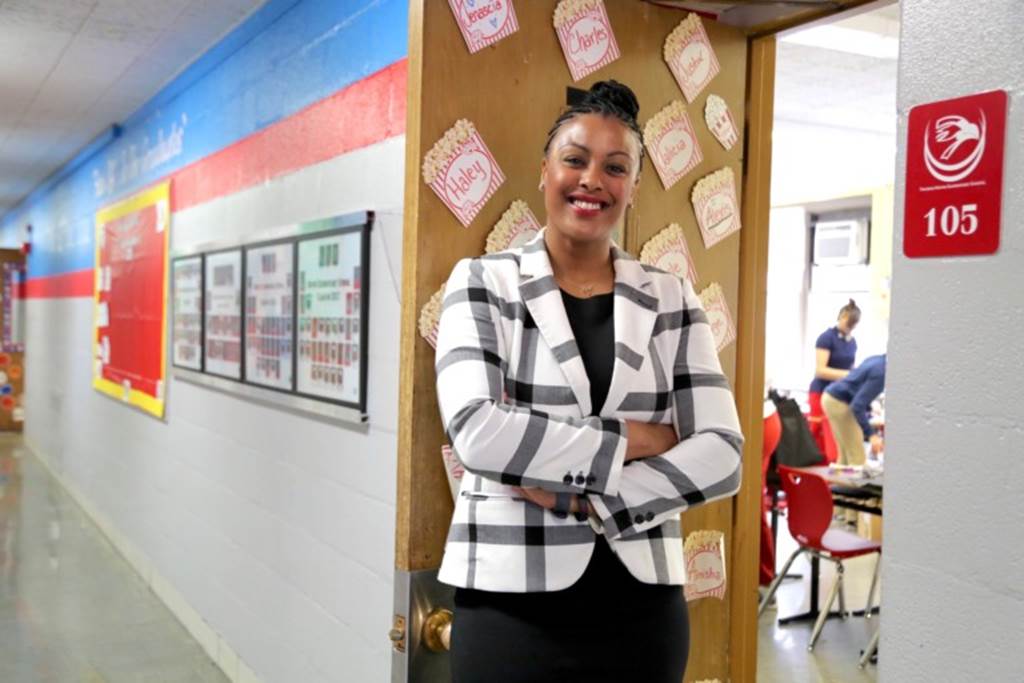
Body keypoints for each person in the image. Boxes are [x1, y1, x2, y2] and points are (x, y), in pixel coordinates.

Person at [434, 81, 744, 683]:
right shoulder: (482, 283)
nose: (592, 180)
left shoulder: (671, 296)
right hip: (508, 604)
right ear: (545, 169)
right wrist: (633, 438)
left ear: (633, 187)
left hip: (641, 611)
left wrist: (583, 498)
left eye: (615, 166)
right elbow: (477, 432)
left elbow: (724, 453)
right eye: (575, 159)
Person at [807, 300, 860, 458]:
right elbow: (820, 371)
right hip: (821, 392)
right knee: (818, 431)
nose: (850, 327)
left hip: (840, 394)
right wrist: (848, 375)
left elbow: (851, 367)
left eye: (853, 325)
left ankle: (834, 467)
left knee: (837, 433)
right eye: (848, 323)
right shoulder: (826, 338)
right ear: (842, 316)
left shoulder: (852, 342)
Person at [822, 353, 886, 467]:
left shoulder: (876, 359)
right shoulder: (882, 373)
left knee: (845, 456)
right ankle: (849, 484)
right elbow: (857, 406)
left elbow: (855, 387)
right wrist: (872, 435)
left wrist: (869, 407)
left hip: (830, 398)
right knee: (857, 459)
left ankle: (837, 483)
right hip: (839, 402)